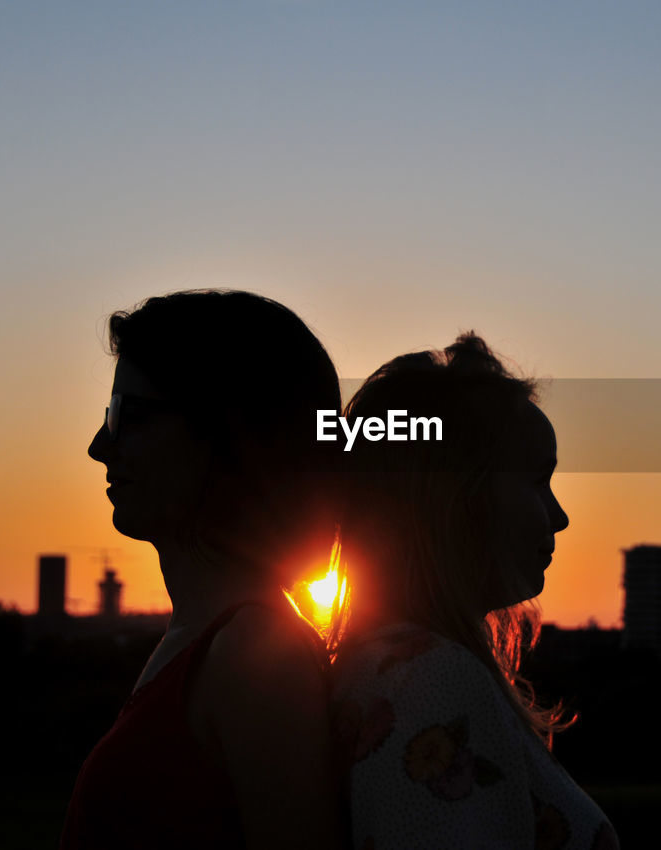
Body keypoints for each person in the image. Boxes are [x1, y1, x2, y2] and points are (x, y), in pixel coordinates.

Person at [61, 290, 344, 850]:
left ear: (228, 435)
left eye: (127, 417)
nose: (99, 447)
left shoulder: (255, 655)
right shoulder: (206, 641)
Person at [330, 333, 619, 850]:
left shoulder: (383, 666)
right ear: (454, 498)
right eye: (537, 481)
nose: (560, 517)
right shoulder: (434, 679)